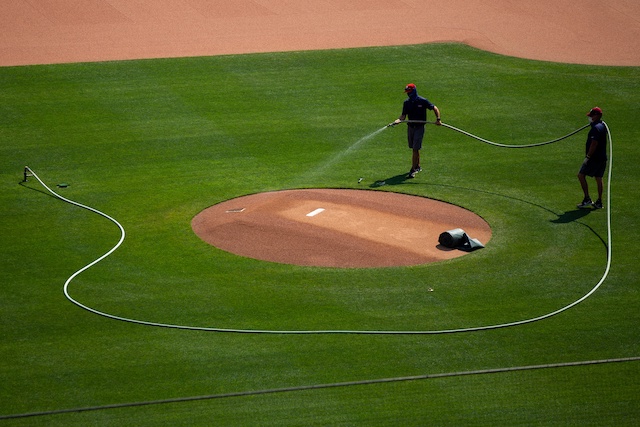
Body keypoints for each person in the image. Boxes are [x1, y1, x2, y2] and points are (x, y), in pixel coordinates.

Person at [390, 83, 441, 178]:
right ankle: (418, 166)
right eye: (407, 92)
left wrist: (438, 119)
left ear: (414, 91)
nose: (408, 94)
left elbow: (434, 108)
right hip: (410, 127)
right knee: (414, 148)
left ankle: (413, 170)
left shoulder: (422, 101)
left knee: (415, 149)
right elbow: (403, 116)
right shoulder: (407, 103)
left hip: (419, 127)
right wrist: (398, 120)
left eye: (409, 92)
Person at [577, 107, 607, 209]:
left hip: (594, 158)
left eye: (592, 116)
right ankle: (599, 202)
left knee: (581, 175)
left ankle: (587, 199)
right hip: (602, 157)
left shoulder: (596, 128)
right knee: (599, 178)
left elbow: (594, 144)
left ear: (597, 116)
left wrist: (588, 157)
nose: (590, 118)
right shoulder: (602, 126)